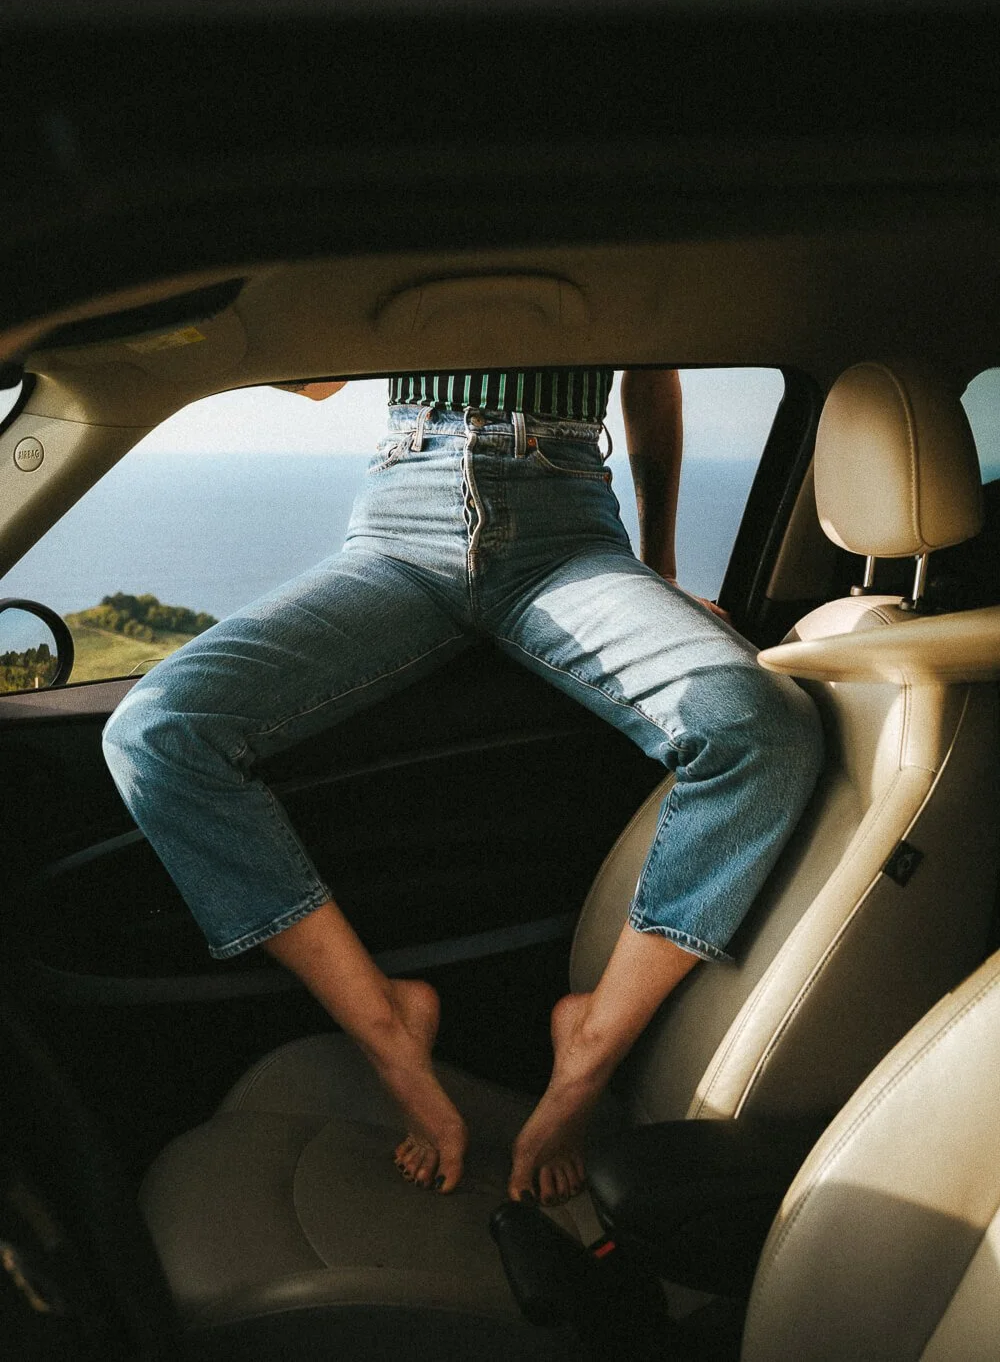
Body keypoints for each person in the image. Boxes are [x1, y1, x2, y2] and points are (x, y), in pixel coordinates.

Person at [102, 365, 822, 1205]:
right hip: (403, 521)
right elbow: (320, 383)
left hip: (567, 527)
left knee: (762, 726)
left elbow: (651, 376)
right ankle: (385, 1026)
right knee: (158, 732)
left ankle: (591, 1044)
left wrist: (658, 562)